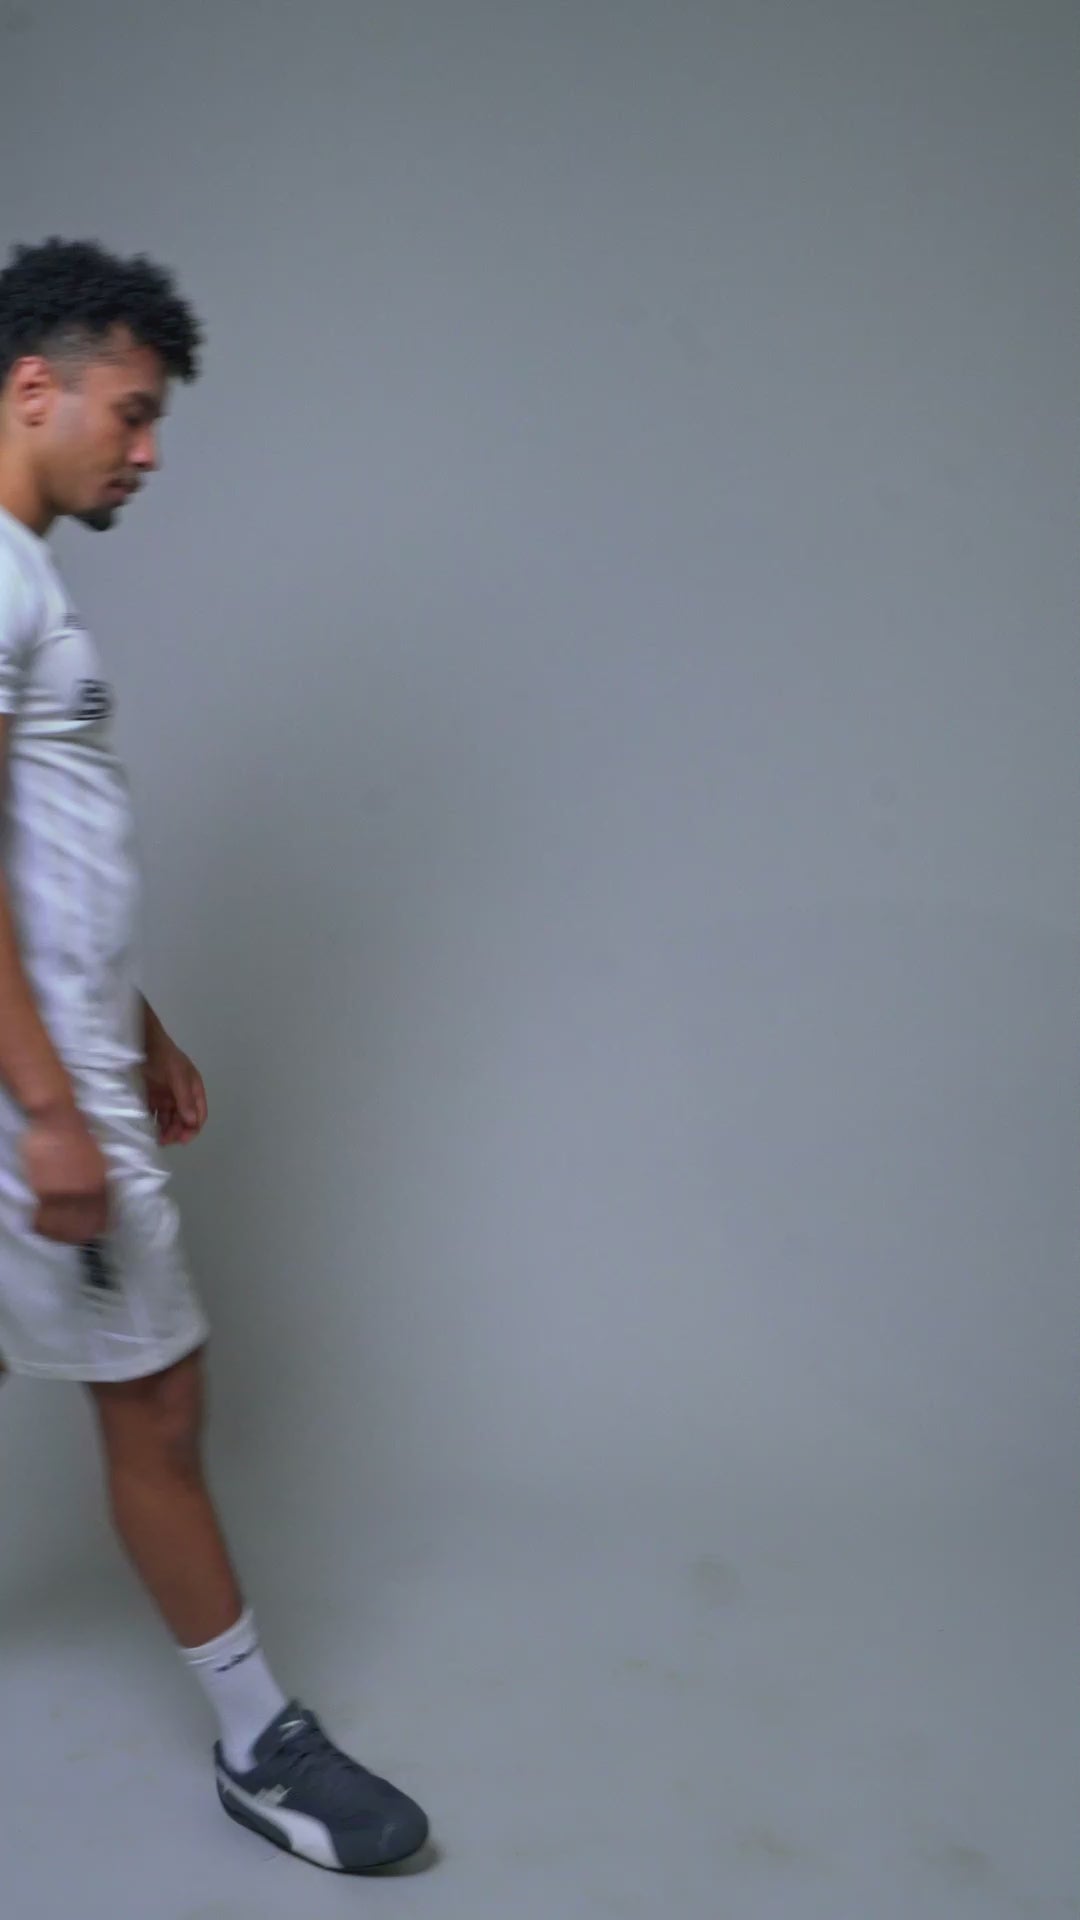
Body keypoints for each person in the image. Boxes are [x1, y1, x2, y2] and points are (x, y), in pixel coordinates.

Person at [0, 237, 430, 1876]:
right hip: (28, 1094)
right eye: (133, 410)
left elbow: (43, 857)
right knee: (160, 1405)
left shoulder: (24, 581)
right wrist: (53, 1103)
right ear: (31, 389)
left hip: (54, 1056)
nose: (151, 449)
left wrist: (139, 1020)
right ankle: (263, 1746)